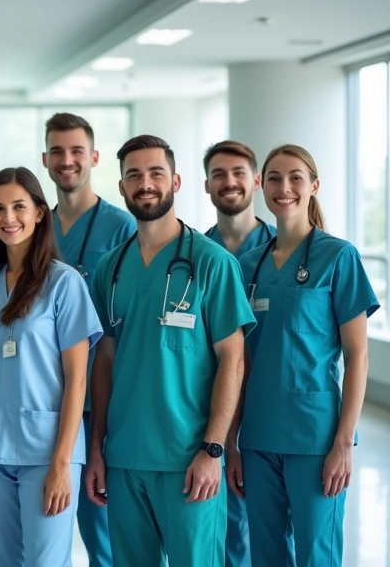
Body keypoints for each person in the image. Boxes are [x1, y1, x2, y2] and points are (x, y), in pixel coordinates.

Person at [85, 135, 256, 567]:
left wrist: (213, 449)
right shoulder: (111, 268)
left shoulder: (212, 263)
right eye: (134, 176)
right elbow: (103, 359)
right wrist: (97, 448)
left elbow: (232, 359)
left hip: (189, 458)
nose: (145, 184)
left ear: (175, 181)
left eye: (156, 173)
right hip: (124, 456)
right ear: (121, 187)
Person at [233, 144, 378, 567]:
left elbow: (358, 355)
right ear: (261, 186)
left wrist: (343, 442)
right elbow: (240, 362)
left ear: (314, 186)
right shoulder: (249, 266)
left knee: (318, 554)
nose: (284, 187)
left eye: (296, 177)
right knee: (267, 554)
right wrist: (232, 442)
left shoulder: (339, 256)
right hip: (258, 437)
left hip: (316, 439)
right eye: (274, 178)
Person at [0, 166, 102, 565]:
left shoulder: (64, 283)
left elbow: (78, 381)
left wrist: (61, 463)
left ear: (39, 212)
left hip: (46, 451)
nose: (8, 218)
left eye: (19, 206)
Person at [42, 112, 135, 567]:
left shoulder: (122, 227)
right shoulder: (35, 226)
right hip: (44, 398)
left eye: (77, 151)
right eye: (57, 151)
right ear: (44, 159)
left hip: (103, 400)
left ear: (94, 157)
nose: (67, 160)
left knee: (105, 528)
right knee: (47, 523)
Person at [199, 139, 278, 566]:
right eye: (218, 175)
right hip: (209, 406)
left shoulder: (285, 249)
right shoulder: (195, 255)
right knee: (220, 524)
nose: (229, 182)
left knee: (266, 528)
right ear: (206, 186)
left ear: (256, 182)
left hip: (271, 410)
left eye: (238, 174)